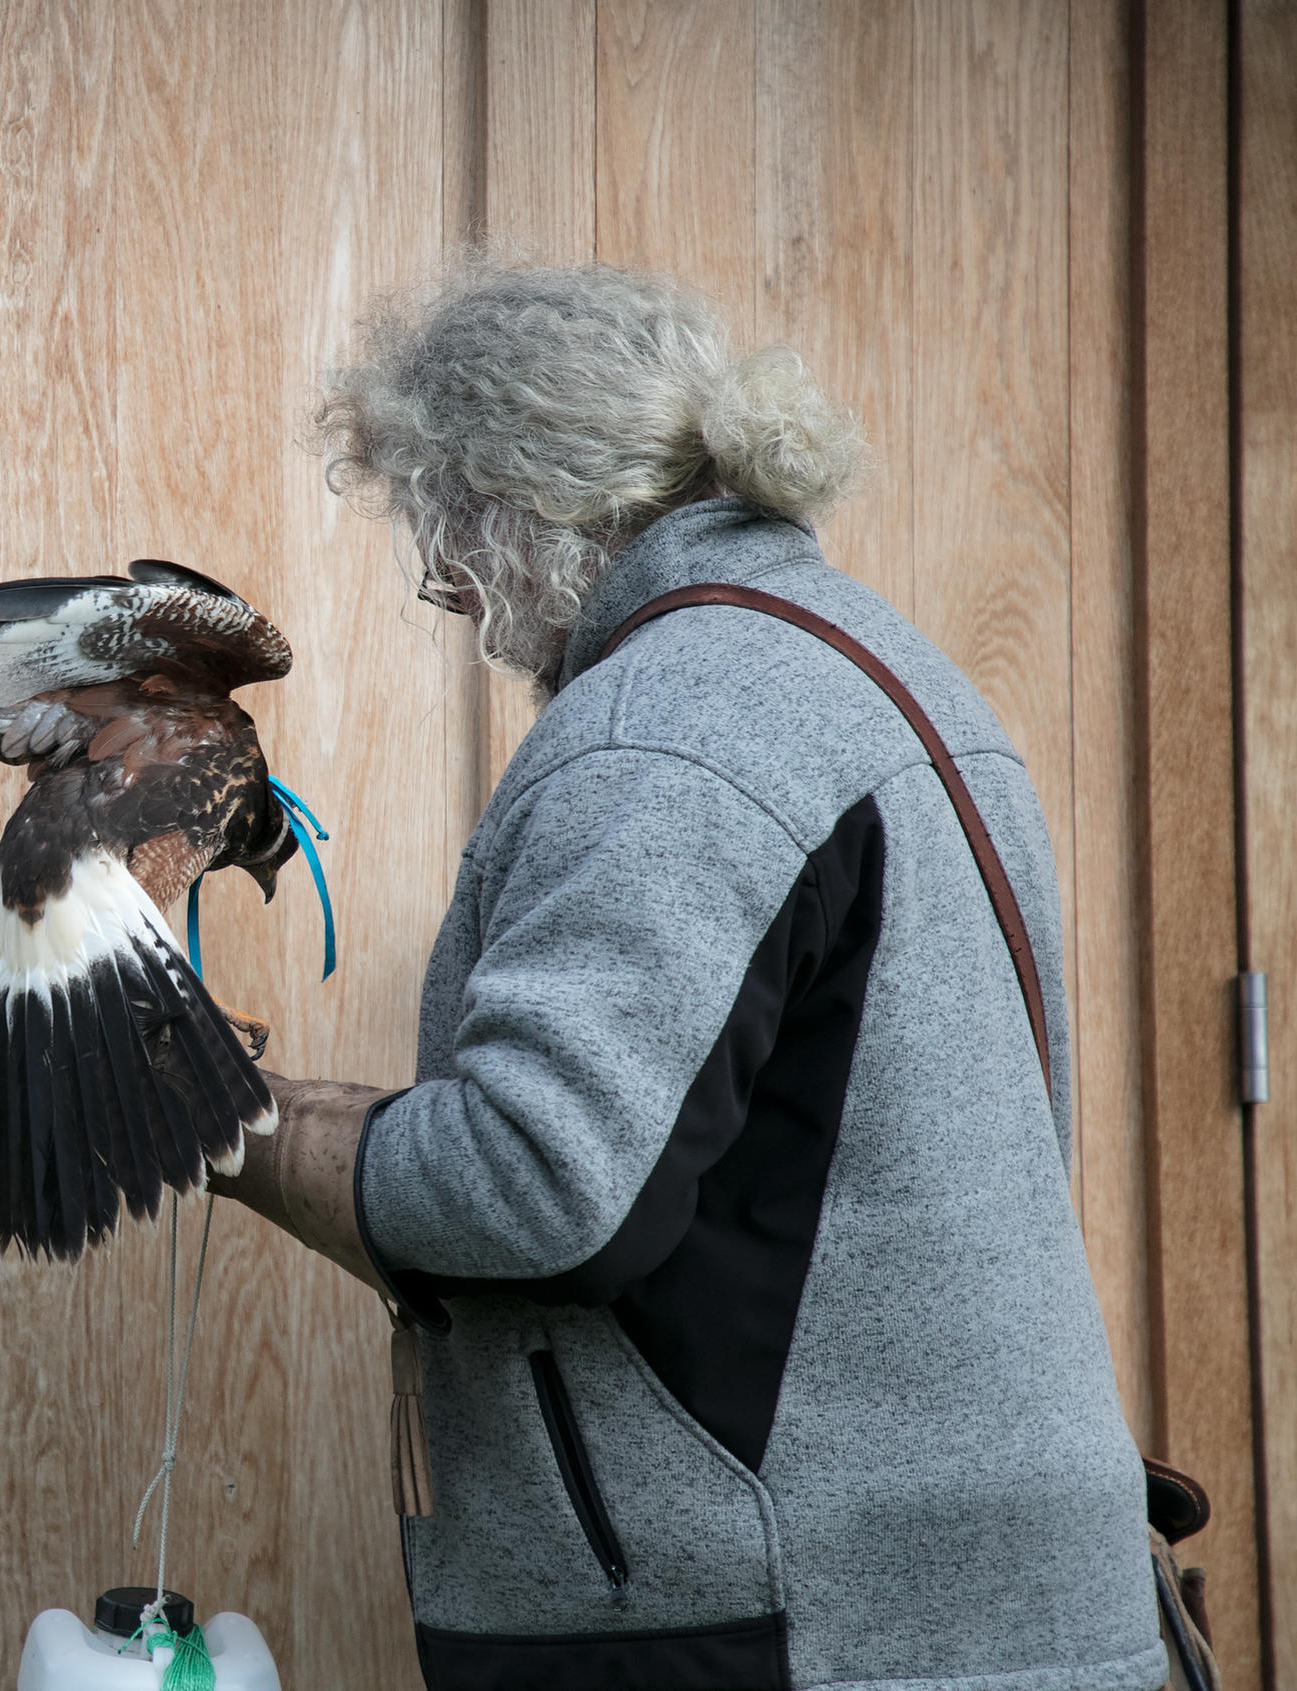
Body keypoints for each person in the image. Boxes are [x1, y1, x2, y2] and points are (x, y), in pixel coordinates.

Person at [211, 260, 1167, 1691]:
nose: (439, 582)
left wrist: (224, 1119)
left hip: (803, 1629)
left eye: (436, 524)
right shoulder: (890, 676)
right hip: (987, 1613)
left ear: (517, 505)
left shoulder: (666, 731)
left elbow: (541, 1187)